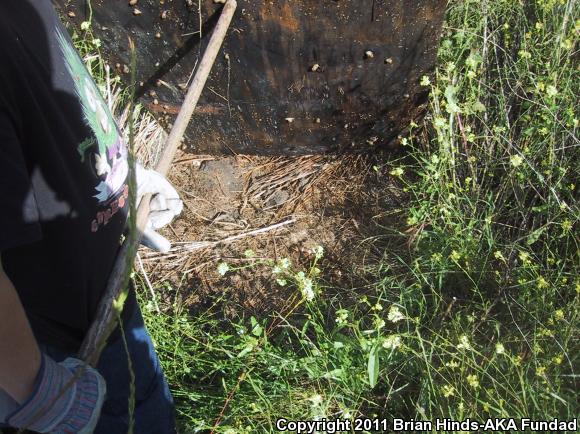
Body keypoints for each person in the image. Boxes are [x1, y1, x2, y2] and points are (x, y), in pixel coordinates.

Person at [0, 1, 182, 432]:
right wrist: (37, 391)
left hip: (101, 291)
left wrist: (116, 170)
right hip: (52, 343)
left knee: (146, 401)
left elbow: (50, 110)